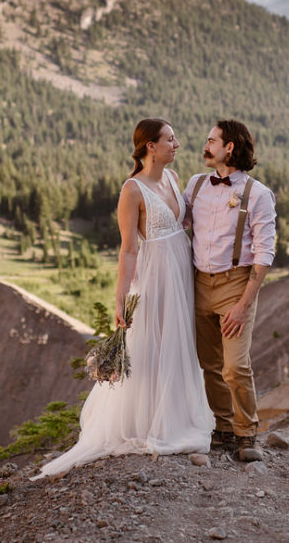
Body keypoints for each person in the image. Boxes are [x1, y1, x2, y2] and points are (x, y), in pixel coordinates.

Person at [34, 118, 212, 479]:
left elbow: (184, 225)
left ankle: (177, 416)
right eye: (170, 139)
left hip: (180, 271)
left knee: (178, 343)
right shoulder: (132, 190)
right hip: (154, 276)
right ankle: (148, 424)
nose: (177, 144)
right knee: (150, 343)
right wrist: (121, 298)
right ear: (150, 146)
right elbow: (129, 249)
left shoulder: (174, 179)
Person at [185, 119, 276, 462]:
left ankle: (246, 431)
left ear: (230, 148)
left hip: (236, 285)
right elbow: (176, 225)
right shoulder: (195, 185)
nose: (205, 146)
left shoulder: (258, 194)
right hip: (198, 284)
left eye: (211, 140)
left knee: (234, 366)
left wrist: (243, 304)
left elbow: (265, 254)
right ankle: (223, 429)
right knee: (210, 364)